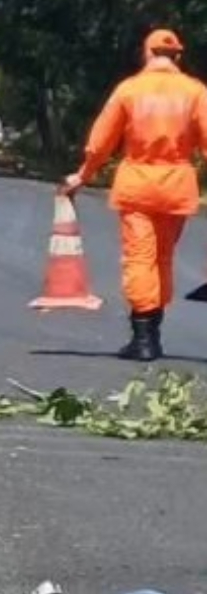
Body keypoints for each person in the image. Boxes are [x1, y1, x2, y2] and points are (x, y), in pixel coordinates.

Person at [60, 28, 207, 361]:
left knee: (140, 258)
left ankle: (144, 339)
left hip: (137, 183)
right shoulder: (196, 91)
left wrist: (83, 175)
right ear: (178, 57)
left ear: (146, 53)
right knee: (162, 258)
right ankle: (153, 329)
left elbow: (100, 143)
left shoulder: (129, 90)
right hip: (177, 184)